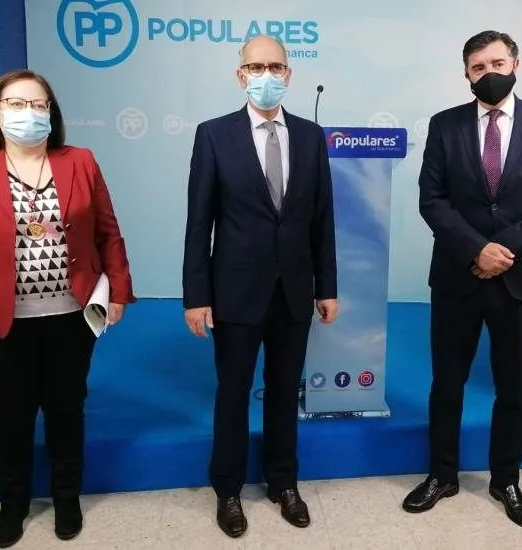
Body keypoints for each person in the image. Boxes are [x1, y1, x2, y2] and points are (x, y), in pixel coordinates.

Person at [0, 70, 135, 548]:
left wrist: (119, 292)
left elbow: (108, 232)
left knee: (67, 409)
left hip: (72, 315)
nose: (29, 112)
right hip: (4, 321)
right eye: (17, 103)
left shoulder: (80, 162)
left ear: (52, 112)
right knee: (10, 416)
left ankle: (66, 497)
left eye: (39, 103)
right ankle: (13, 504)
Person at [403, 31, 522, 529]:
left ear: (515, 63)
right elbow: (431, 199)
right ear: (467, 74)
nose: (489, 72)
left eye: (497, 61)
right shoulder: (444, 125)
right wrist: (477, 249)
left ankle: (506, 479)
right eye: (478, 67)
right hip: (458, 275)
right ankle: (442, 474)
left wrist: (505, 251)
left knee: (513, 386)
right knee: (447, 383)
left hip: (521, 280)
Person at [181, 35, 338, 538]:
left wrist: (326, 286)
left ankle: (282, 482)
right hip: (234, 291)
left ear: (289, 75)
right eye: (256, 67)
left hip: (294, 289)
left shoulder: (313, 137)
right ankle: (227, 489)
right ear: (240, 75)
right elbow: (198, 222)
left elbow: (322, 220)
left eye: (275, 66)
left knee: (284, 391)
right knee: (232, 391)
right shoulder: (214, 135)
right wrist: (196, 296)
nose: (266, 75)